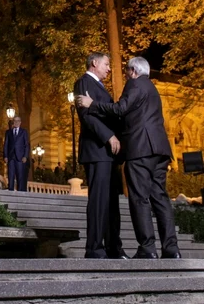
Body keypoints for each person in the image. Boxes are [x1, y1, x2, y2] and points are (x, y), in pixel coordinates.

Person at [77, 56, 181, 259]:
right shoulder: (152, 88)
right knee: (160, 198)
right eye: (107, 64)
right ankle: (171, 248)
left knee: (139, 199)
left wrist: (92, 104)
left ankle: (147, 248)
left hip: (141, 149)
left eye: (125, 71)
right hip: (160, 150)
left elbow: (120, 109)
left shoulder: (135, 84)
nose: (120, 73)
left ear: (133, 71)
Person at [73, 52, 128, 260]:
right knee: (98, 201)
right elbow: (87, 117)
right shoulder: (83, 83)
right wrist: (109, 137)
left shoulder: (100, 87)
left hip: (108, 153)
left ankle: (114, 247)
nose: (109, 68)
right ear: (94, 63)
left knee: (112, 202)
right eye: (106, 64)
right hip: (96, 150)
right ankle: (95, 249)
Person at [3, 116, 29, 192]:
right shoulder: (8, 132)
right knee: (10, 175)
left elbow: (26, 145)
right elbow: (6, 145)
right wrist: (5, 156)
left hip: (20, 157)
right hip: (11, 157)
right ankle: (10, 190)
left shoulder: (24, 132)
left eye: (18, 121)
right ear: (13, 122)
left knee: (20, 175)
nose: (16, 122)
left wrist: (25, 156)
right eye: (15, 121)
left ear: (20, 122)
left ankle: (20, 191)